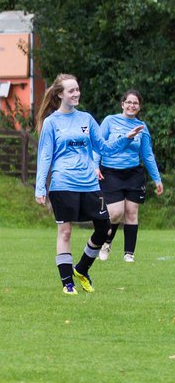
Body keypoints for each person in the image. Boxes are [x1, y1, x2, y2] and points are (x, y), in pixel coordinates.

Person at [34, 74, 142, 294]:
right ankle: (68, 284)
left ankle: (82, 268)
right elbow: (44, 156)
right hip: (63, 183)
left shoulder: (86, 118)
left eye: (77, 89)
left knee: (104, 228)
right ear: (60, 94)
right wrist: (39, 188)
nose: (76, 94)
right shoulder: (51, 122)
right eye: (71, 90)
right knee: (65, 232)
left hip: (90, 184)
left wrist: (126, 138)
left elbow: (104, 148)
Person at [96, 90, 164, 262]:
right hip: (110, 172)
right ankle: (106, 243)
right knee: (116, 212)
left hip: (133, 173)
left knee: (132, 213)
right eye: (129, 102)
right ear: (122, 104)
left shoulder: (142, 127)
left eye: (135, 103)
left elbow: (147, 155)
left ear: (139, 107)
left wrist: (157, 179)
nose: (132, 105)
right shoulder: (110, 121)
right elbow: (99, 145)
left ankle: (129, 254)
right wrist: (94, 166)